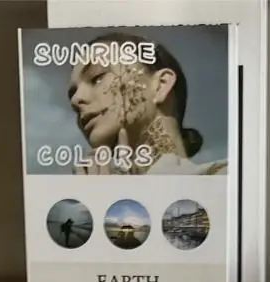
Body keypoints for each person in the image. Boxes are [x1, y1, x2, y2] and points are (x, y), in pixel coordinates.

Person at [66, 31, 227, 176]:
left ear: (161, 84)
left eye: (98, 77)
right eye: (72, 93)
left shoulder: (228, 180)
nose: (75, 100)